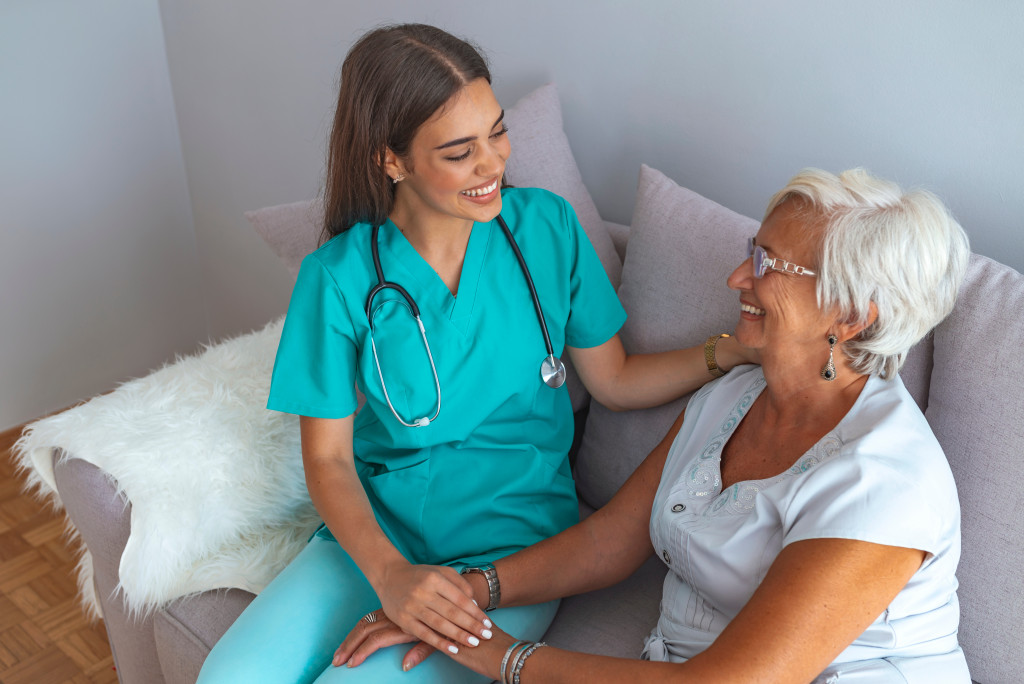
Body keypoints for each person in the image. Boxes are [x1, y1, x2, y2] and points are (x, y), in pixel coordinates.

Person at [196, 24, 753, 683]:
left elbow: (617, 380)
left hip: (512, 548)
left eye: (497, 132)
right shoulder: (339, 277)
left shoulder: (545, 229)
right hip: (376, 541)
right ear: (391, 160)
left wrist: (733, 350)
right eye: (461, 152)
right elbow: (327, 459)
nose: (493, 164)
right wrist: (391, 573)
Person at [337, 168, 973, 683]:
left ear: (851, 314)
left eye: (769, 265)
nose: (736, 278)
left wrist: (490, 652)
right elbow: (608, 542)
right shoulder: (737, 394)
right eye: (751, 252)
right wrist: (464, 598)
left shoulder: (886, 482)